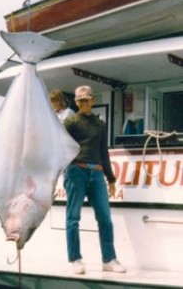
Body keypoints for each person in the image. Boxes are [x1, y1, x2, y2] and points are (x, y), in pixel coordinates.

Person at [63, 85, 126, 274]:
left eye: (87, 99)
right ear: (76, 102)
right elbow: (60, 147)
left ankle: (109, 260)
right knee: (73, 218)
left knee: (105, 218)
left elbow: (103, 153)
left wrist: (111, 179)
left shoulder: (100, 124)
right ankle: (75, 259)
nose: (84, 103)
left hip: (97, 173)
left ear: (93, 101)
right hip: (76, 172)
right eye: (80, 100)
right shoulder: (70, 122)